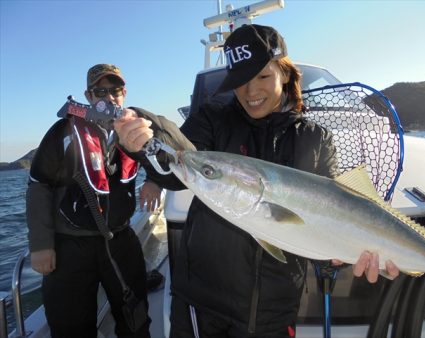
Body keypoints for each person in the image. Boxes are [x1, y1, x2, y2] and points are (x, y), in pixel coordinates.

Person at [114, 25, 400, 338]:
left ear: (285, 73)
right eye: (240, 81)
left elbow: (333, 214)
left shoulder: (315, 139)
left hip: (274, 310)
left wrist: (342, 258)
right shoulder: (213, 120)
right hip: (201, 300)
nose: (251, 92)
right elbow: (179, 164)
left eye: (263, 77)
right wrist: (145, 138)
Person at [26, 64, 155, 338]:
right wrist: (40, 244)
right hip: (71, 246)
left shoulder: (135, 129)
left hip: (120, 241)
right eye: (100, 91)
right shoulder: (62, 131)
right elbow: (38, 184)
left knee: (136, 320)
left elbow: (162, 158)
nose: (109, 98)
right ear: (88, 95)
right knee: (70, 325)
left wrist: (154, 180)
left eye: (116, 90)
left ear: (124, 93)